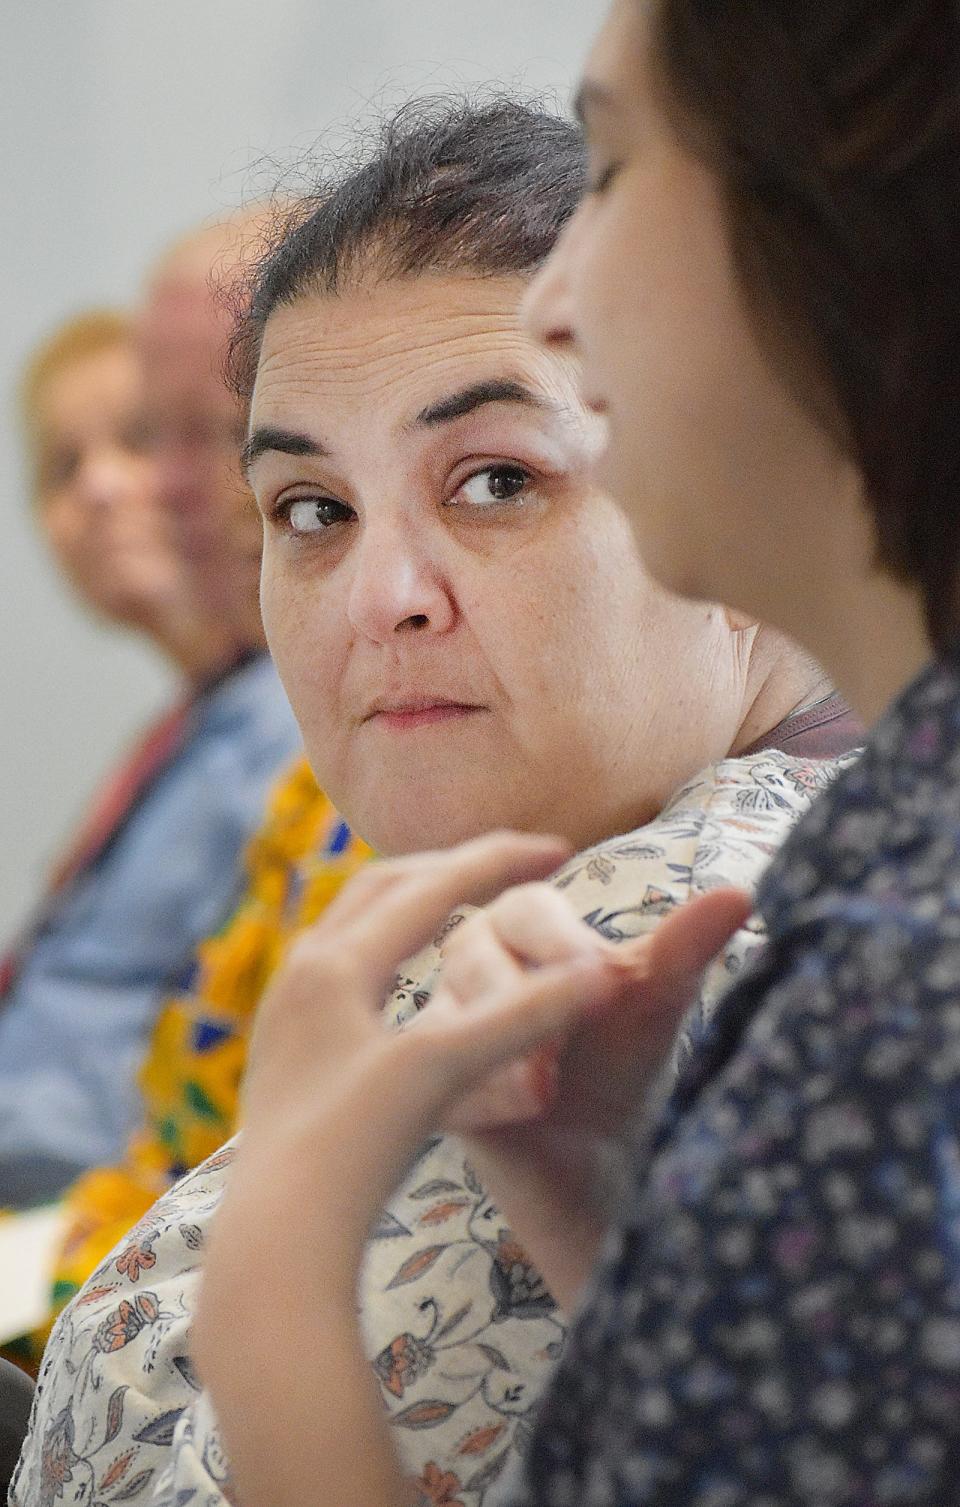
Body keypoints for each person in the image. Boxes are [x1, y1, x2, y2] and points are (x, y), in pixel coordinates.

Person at [121, 4, 960, 1505]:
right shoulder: (860, 850)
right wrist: (600, 1207)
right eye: (307, 508)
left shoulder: (847, 940)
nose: (385, 594)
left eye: (498, 479)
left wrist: (275, 1265)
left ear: (827, 257)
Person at [0, 250, 300, 1209]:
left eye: (144, 439)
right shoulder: (188, 730)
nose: (106, 489)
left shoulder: (296, 718)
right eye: (62, 465)